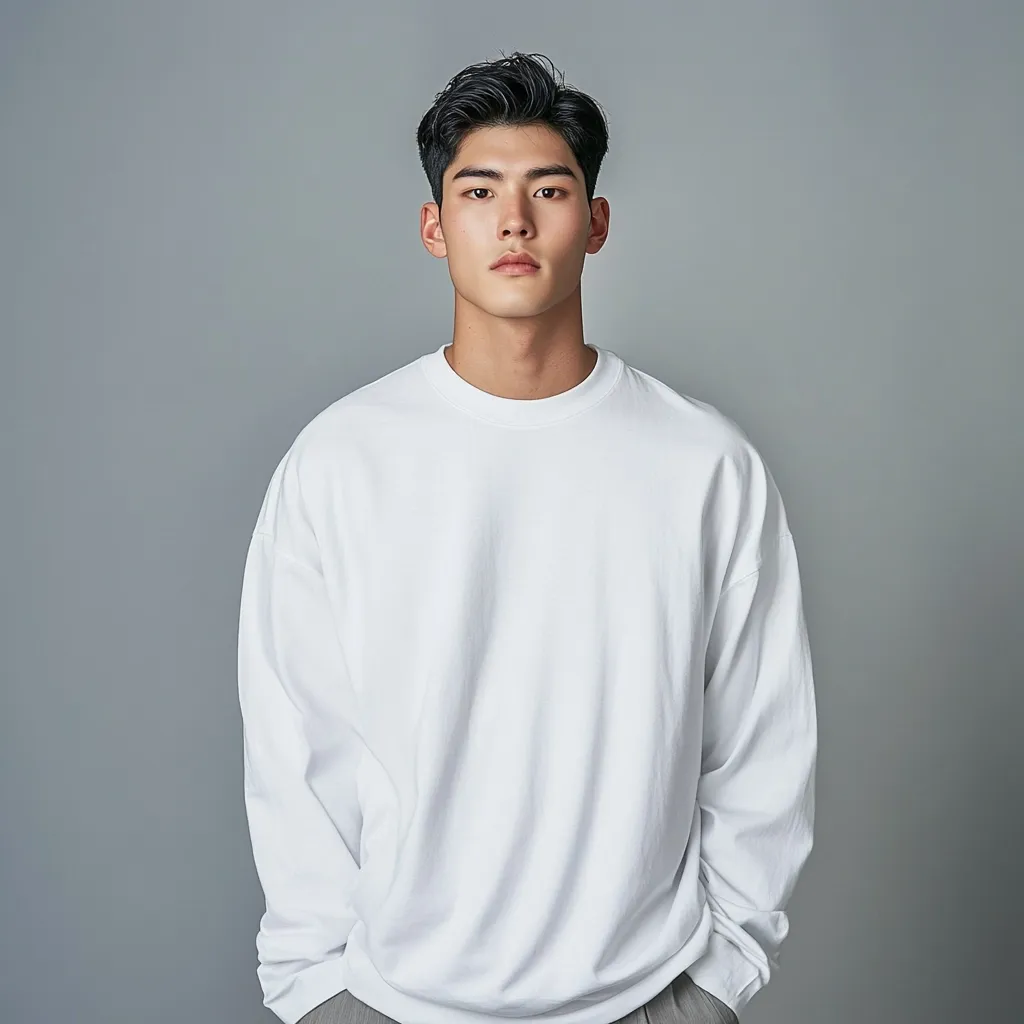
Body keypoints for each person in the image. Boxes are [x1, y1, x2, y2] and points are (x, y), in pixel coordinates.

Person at [237, 51, 817, 1024]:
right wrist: (318, 991)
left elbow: (762, 741)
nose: (513, 220)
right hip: (391, 1001)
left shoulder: (702, 462)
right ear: (435, 226)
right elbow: (297, 747)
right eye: (479, 191)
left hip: (643, 995)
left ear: (593, 224)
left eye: (548, 189)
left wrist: (713, 987)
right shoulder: (342, 459)